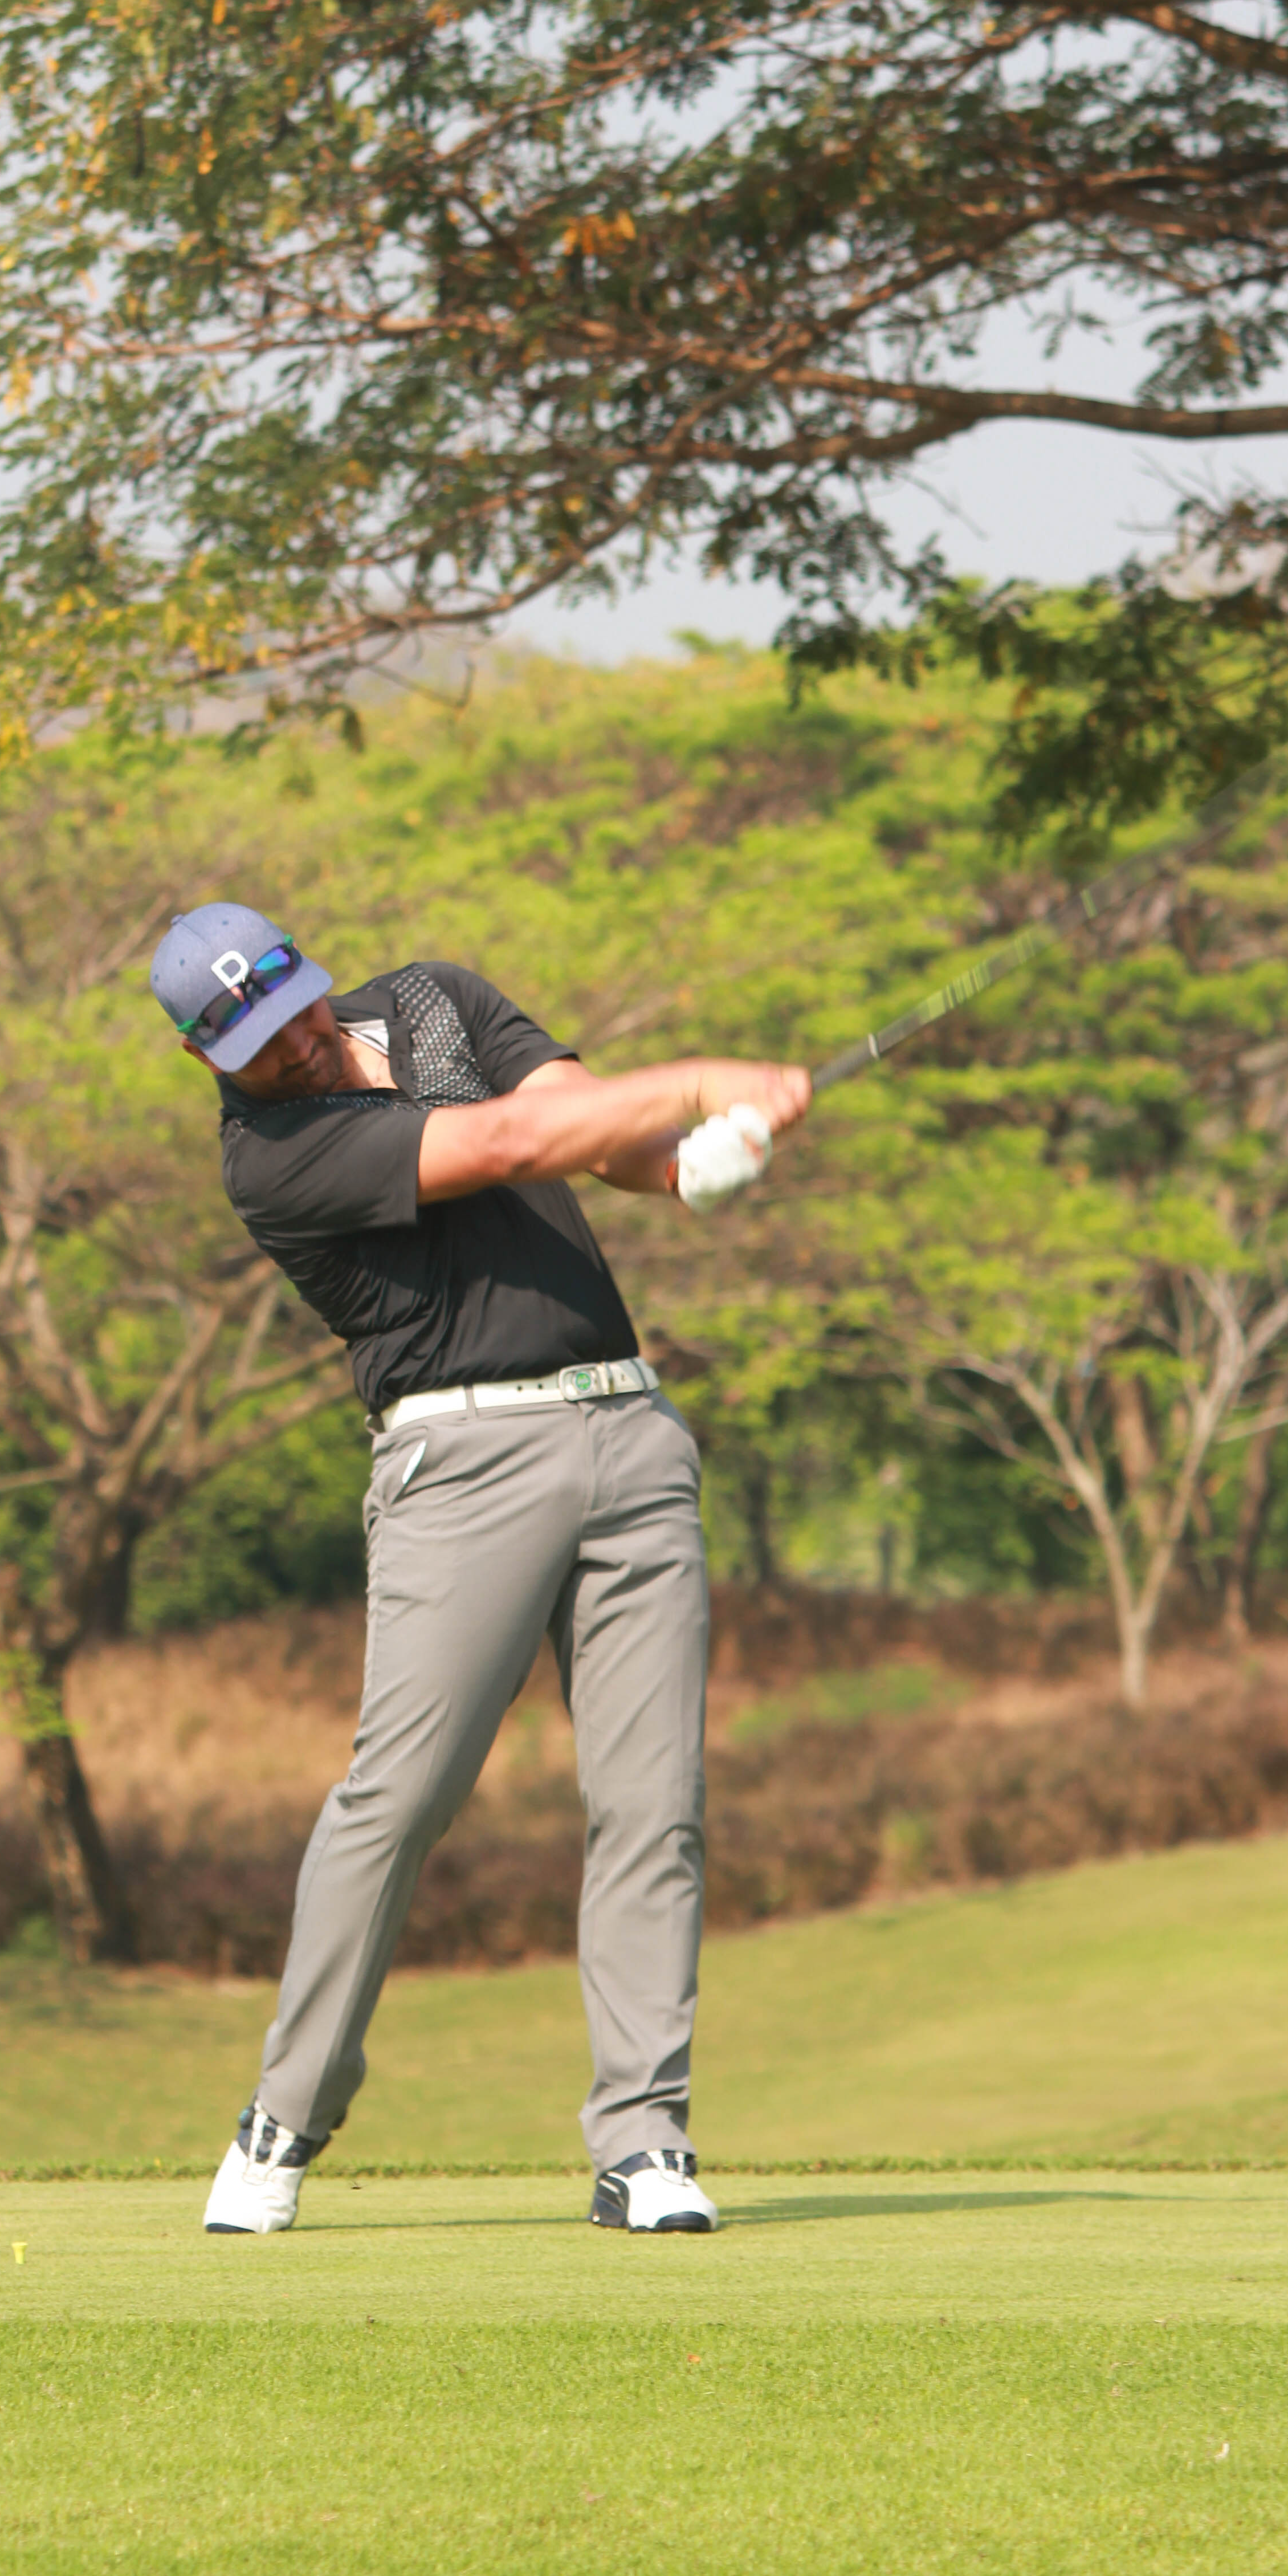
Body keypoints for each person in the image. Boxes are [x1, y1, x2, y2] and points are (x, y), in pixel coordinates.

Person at [148, 902, 812, 2235]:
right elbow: (508, 1145)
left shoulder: (435, 1001)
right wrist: (705, 1078)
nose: (292, 1051)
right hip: (461, 1466)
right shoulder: (273, 1156)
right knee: (399, 1799)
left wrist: (682, 1165)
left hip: (631, 1434)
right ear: (210, 1060)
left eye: (294, 1017)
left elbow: (578, 1122)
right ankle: (285, 2117)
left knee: (654, 1803)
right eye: (255, 1047)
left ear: (310, 976)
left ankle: (644, 2145)